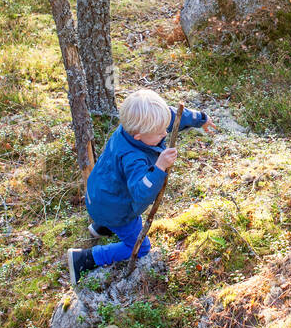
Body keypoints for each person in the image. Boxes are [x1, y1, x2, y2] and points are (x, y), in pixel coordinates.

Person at [66, 89, 215, 285]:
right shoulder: (132, 158)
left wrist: (201, 118)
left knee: (112, 198)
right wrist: (159, 167)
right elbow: (141, 193)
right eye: (159, 132)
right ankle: (85, 258)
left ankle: (100, 227)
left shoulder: (142, 125)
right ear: (138, 137)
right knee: (140, 247)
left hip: (97, 195)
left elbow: (172, 115)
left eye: (165, 128)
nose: (165, 133)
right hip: (114, 209)